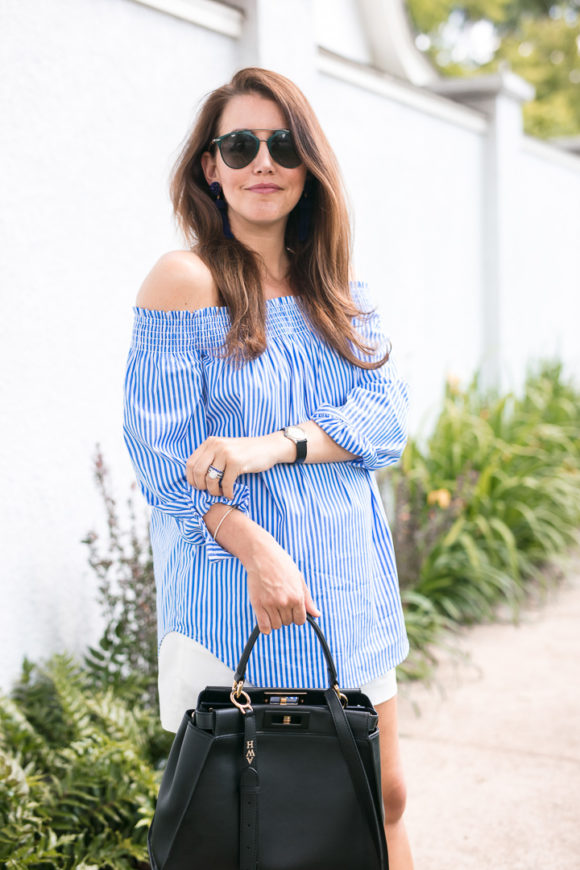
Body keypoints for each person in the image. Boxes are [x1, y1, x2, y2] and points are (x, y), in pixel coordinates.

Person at [122, 67, 414, 868]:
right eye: (240, 144)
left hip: (348, 589)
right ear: (209, 166)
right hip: (236, 603)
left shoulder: (338, 287)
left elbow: (385, 420)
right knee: (249, 825)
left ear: (308, 163)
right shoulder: (187, 281)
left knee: (381, 798)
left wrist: (269, 446)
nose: (263, 161)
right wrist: (258, 551)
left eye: (282, 144)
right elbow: (162, 463)